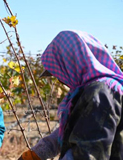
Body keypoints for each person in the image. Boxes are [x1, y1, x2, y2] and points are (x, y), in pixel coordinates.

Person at [18, 30, 123, 160]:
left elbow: (86, 152)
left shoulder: (101, 93)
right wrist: (37, 153)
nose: (60, 79)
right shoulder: (101, 89)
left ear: (71, 64)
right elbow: (76, 129)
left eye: (59, 71)